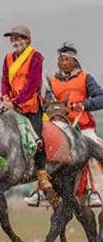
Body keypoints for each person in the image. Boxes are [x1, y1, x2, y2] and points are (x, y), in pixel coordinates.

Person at [28, 43, 103, 207]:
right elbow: (45, 102)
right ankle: (40, 192)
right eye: (61, 59)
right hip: (58, 127)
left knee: (93, 153)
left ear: (75, 61)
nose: (63, 63)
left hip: (82, 126)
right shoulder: (52, 81)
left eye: (67, 59)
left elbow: (101, 97)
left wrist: (84, 105)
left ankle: (95, 191)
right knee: (43, 151)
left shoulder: (85, 78)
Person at [0, 25, 53, 201]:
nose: (14, 42)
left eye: (18, 38)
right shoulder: (8, 58)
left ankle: (41, 172)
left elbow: (33, 84)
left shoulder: (35, 56)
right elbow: (4, 81)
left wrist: (15, 101)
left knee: (36, 137)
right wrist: (5, 97)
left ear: (28, 39)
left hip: (31, 106)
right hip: (12, 106)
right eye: (12, 39)